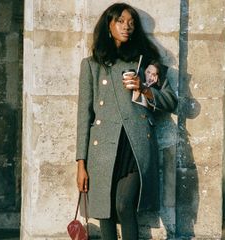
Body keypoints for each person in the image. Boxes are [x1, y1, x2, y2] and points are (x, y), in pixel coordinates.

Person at [76, 3, 178, 239]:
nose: (127, 26)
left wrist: (145, 89)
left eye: (131, 22)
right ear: (108, 25)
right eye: (120, 21)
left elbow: (171, 101)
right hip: (102, 149)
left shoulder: (147, 64)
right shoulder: (91, 66)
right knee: (105, 211)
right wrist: (80, 163)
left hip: (136, 146)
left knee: (124, 205)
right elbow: (84, 116)